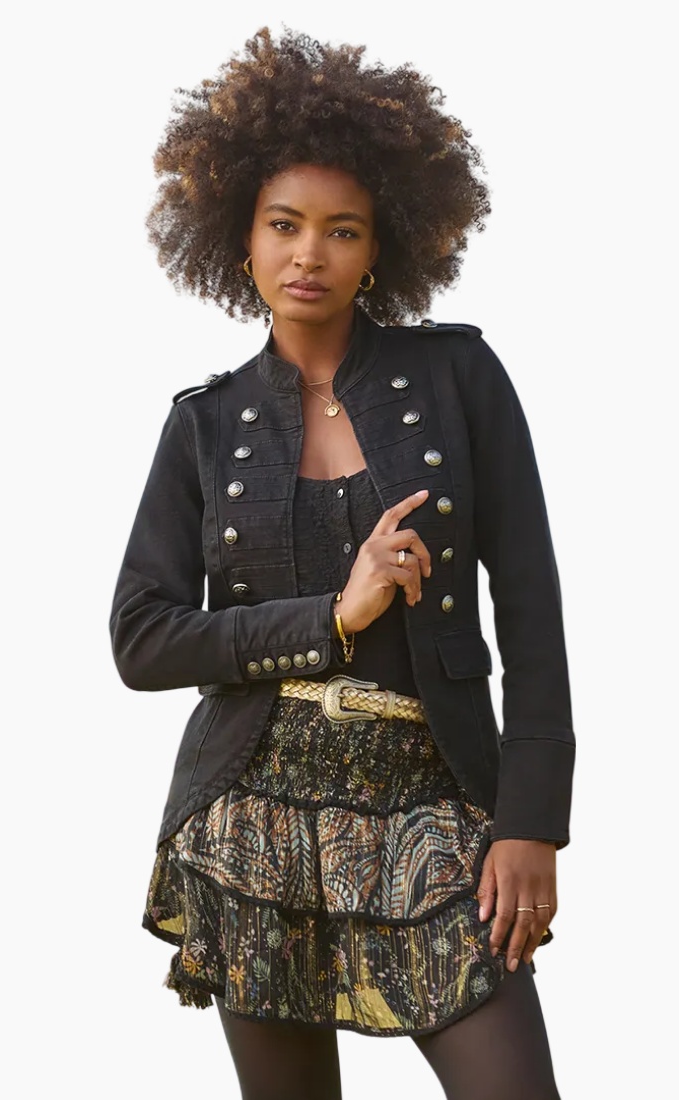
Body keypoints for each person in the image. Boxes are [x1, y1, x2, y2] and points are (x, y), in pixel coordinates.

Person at [109, 26, 574, 1100]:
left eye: (341, 230)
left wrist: (530, 821)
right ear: (240, 239)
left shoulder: (459, 377)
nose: (307, 254)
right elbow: (141, 637)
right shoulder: (203, 425)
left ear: (380, 249)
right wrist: (333, 613)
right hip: (252, 814)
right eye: (283, 224)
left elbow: (533, 610)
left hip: (432, 800)